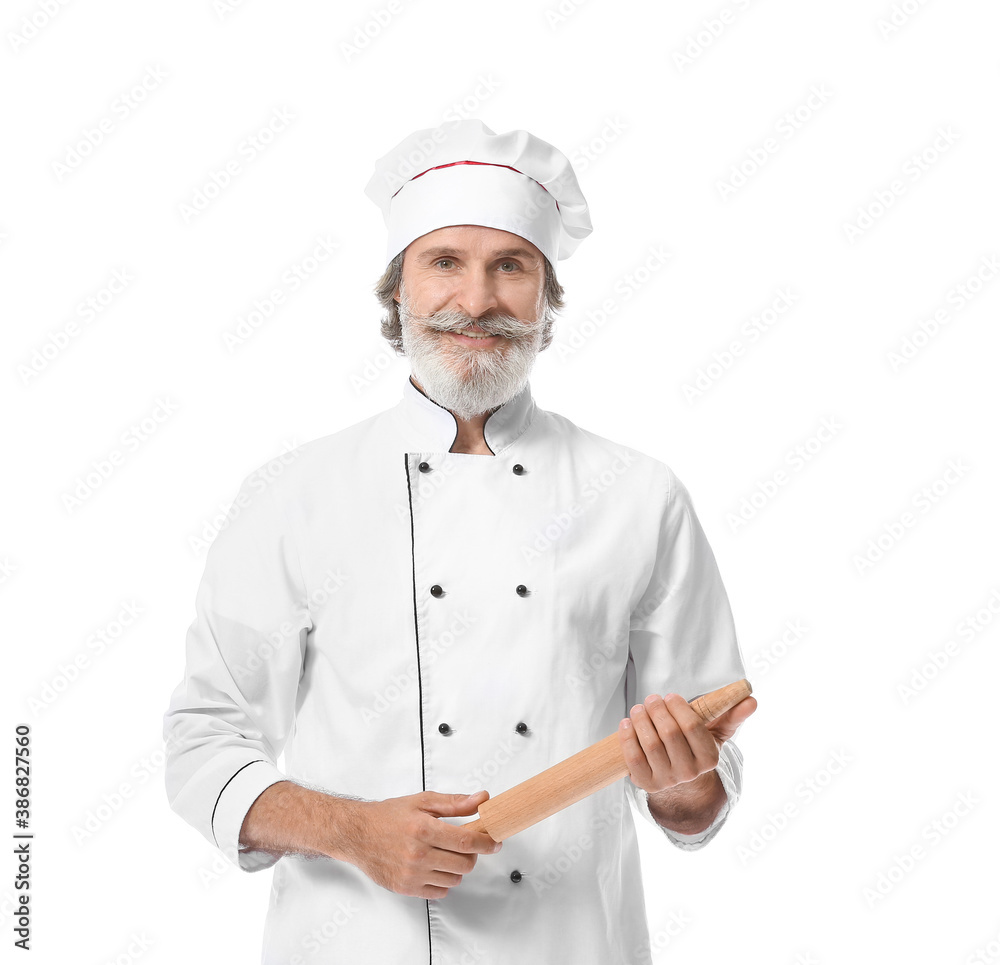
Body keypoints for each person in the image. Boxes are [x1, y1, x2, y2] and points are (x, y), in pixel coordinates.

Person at [163, 119, 756, 965]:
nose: (475, 301)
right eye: (444, 261)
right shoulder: (294, 494)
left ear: (545, 299)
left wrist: (685, 781)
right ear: (397, 289)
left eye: (509, 266)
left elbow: (697, 801)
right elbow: (202, 741)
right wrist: (355, 830)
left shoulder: (637, 495)